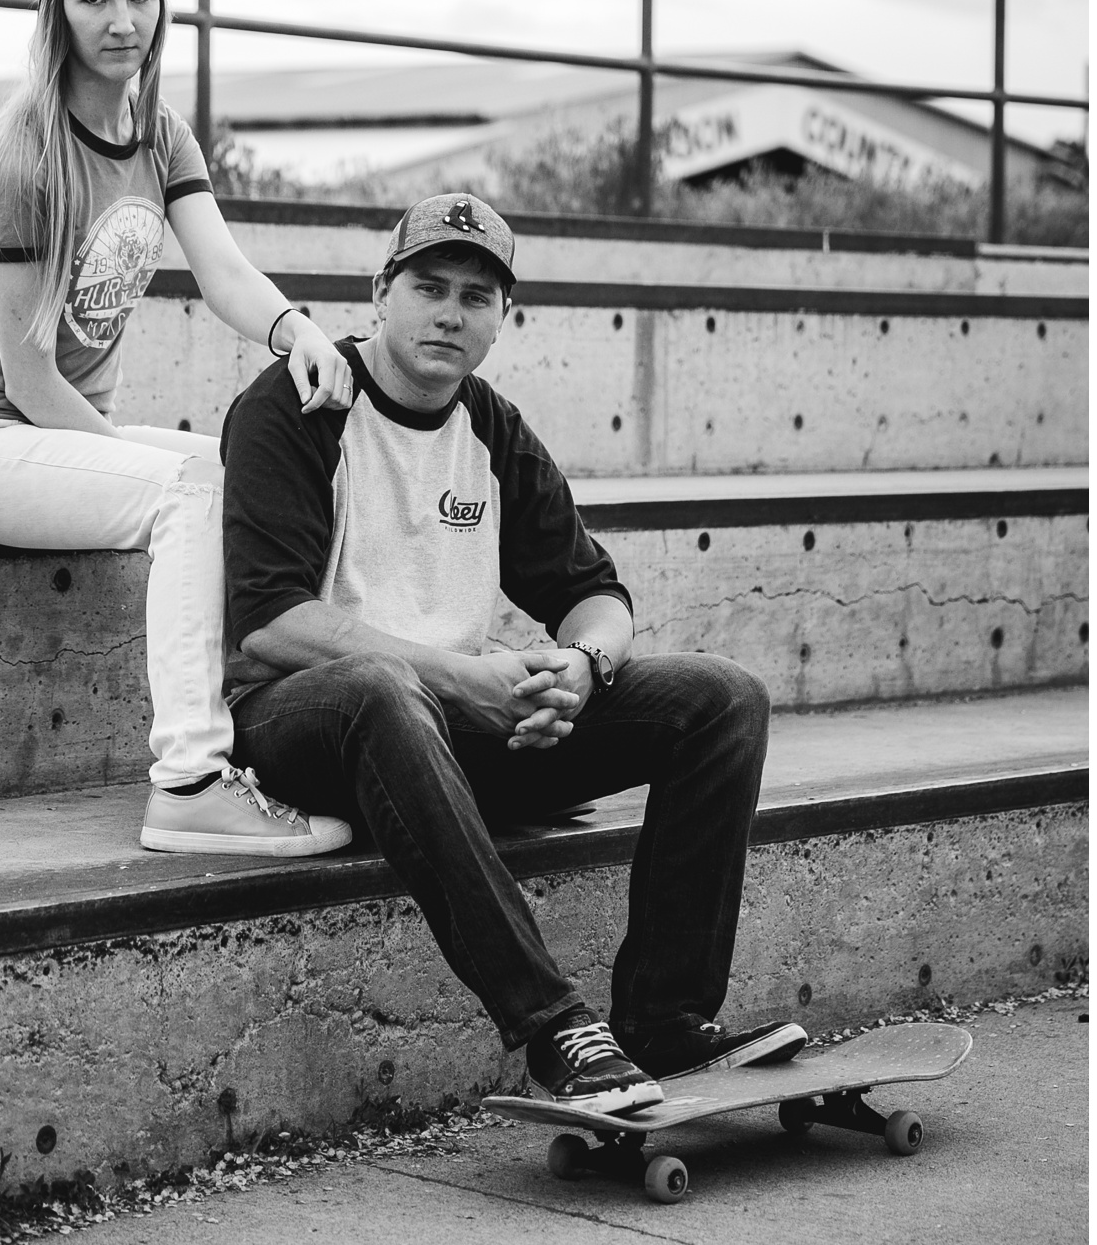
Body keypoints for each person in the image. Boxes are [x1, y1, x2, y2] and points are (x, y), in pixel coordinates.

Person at [218, 191, 806, 1111]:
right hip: (307, 727)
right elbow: (268, 619)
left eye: (477, 296)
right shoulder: (300, 400)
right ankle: (553, 1027)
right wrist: (458, 678)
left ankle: (667, 1022)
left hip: (454, 737)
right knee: (381, 687)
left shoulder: (489, 426)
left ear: (501, 319)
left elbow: (595, 597)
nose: (451, 312)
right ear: (381, 291)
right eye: (429, 286)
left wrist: (583, 668)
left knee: (723, 699)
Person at [0, 0, 353, 860]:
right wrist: (145, 474)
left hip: (61, 433)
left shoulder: (162, 136)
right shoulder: (22, 158)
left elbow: (223, 270)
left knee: (262, 477)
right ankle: (190, 779)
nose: (123, 21)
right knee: (192, 494)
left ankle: (322, 717)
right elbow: (26, 380)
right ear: (54, 13)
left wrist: (296, 330)